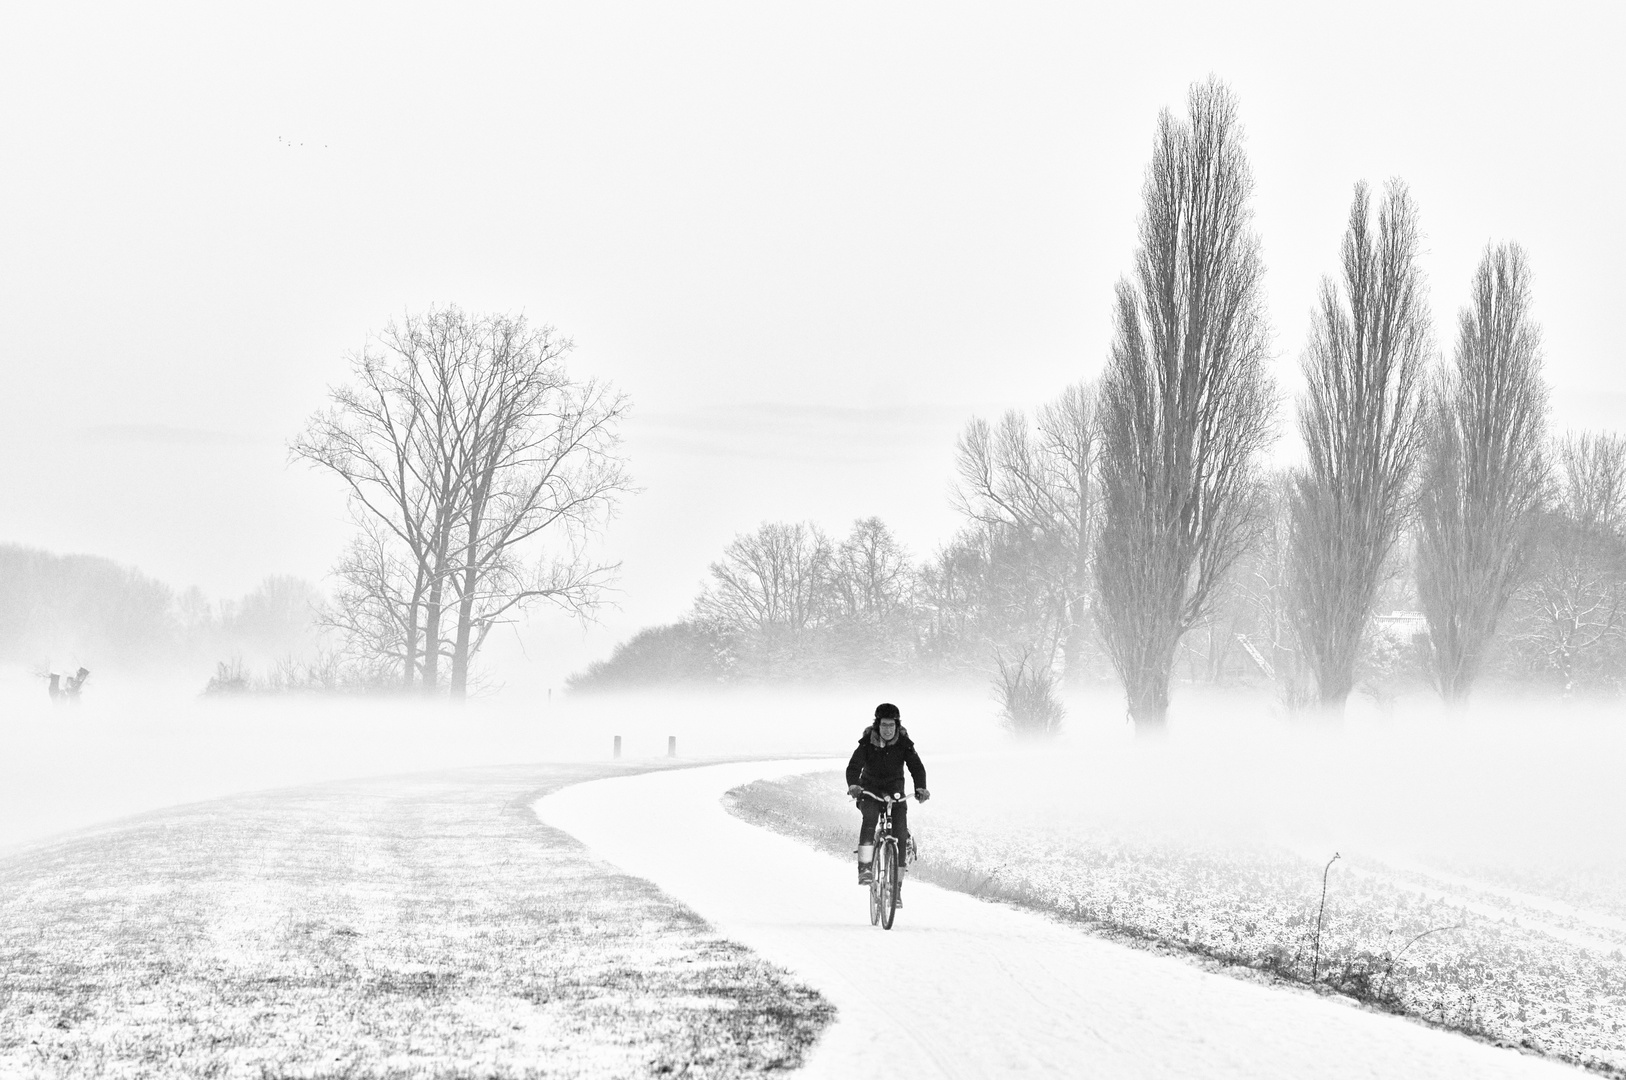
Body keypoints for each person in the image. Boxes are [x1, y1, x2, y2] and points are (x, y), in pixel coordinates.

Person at [846, 702, 929, 903]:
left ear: (897, 725)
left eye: (892, 725)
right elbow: (853, 767)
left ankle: (896, 890)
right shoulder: (867, 743)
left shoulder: (904, 744)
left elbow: (917, 767)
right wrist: (854, 786)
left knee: (900, 835)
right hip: (870, 792)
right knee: (870, 819)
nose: (888, 729)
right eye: (884, 725)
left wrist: (921, 788)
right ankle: (865, 868)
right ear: (877, 725)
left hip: (895, 794)